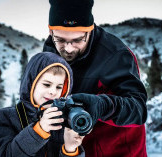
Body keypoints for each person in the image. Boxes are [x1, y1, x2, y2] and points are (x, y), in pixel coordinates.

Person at [43, 0, 148, 156]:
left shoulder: (115, 55)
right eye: (61, 40)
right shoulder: (50, 52)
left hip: (120, 152)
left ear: (90, 30)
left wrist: (103, 106)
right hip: (73, 150)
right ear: (51, 32)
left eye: (78, 40)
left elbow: (138, 110)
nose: (68, 48)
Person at [0, 52, 85, 157]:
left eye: (59, 87)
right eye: (47, 84)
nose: (53, 92)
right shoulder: (3, 118)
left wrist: (70, 150)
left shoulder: (64, 122)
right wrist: (39, 131)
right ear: (31, 83)